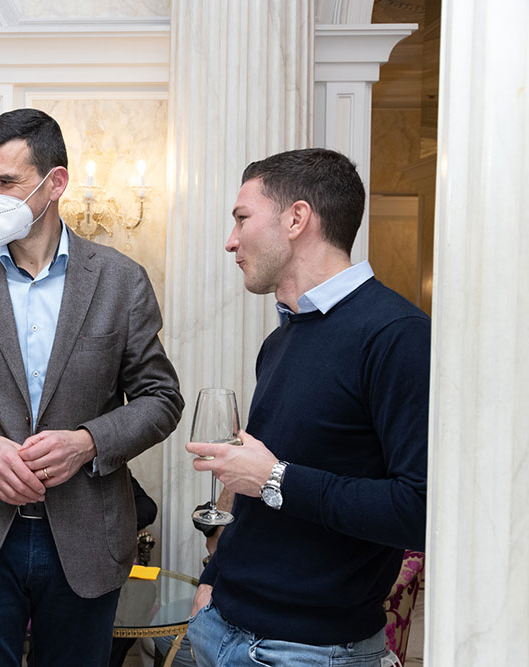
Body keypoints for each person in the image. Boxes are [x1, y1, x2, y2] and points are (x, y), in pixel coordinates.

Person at [0, 108, 183, 666]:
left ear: (56, 183)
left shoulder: (120, 280)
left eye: (6, 182)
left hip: (88, 535)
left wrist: (88, 442)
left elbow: (161, 398)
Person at [185, 148, 430, 666]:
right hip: (220, 627)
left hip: (312, 651)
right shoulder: (281, 339)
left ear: (296, 219)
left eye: (242, 218)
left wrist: (275, 479)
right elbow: (254, 490)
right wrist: (214, 578)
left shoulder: (398, 335)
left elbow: (418, 510)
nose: (231, 240)